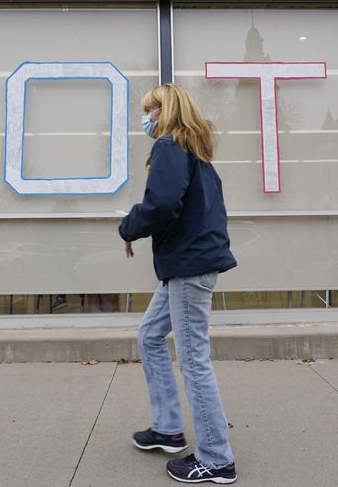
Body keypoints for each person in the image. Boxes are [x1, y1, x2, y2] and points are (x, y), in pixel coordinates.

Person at [119, 83, 238, 484]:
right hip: (187, 264)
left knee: (193, 360)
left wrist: (129, 226)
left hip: (188, 267)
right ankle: (169, 428)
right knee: (150, 335)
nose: (147, 118)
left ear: (166, 111)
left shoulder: (172, 146)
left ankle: (217, 458)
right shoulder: (196, 153)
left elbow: (162, 205)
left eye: (152, 111)